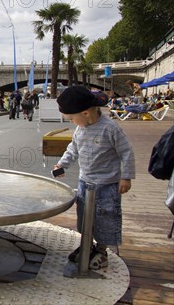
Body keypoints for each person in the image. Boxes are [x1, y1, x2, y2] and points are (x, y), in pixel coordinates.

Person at [53, 86, 135, 270]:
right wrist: (62, 164)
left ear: (86, 113)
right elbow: (73, 149)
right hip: (85, 183)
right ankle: (86, 246)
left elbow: (126, 152)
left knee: (105, 217)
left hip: (107, 185)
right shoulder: (80, 130)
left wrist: (126, 177)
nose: (73, 122)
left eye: (72, 118)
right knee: (84, 216)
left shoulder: (110, 128)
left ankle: (102, 250)